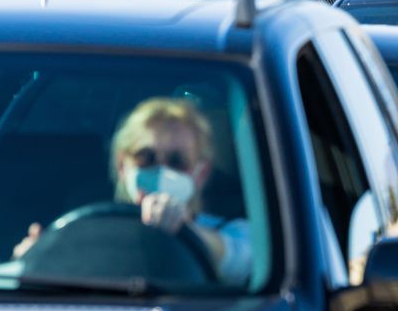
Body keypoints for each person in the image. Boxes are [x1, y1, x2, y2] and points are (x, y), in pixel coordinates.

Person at [13, 98, 252, 286]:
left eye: (177, 160)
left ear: (201, 173)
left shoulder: (237, 231)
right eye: (145, 157)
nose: (161, 169)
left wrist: (186, 231)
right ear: (122, 165)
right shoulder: (79, 231)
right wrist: (35, 258)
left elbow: (240, 257)